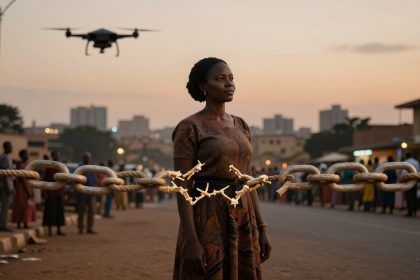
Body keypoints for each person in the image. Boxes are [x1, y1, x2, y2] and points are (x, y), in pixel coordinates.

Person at [172, 57, 271, 279]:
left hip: (243, 215)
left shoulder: (242, 125)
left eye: (231, 78)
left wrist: (261, 228)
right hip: (208, 216)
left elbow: (249, 179)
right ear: (203, 87)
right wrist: (191, 240)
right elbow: (183, 188)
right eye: (220, 79)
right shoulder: (190, 127)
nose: (229, 84)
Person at [42, 150, 66, 236]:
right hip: (51, 192)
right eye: (56, 155)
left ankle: (59, 230)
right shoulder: (49, 167)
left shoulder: (62, 167)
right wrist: (45, 192)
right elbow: (45, 179)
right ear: (53, 156)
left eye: (58, 155)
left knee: (59, 212)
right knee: (50, 212)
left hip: (59, 192)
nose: (58, 157)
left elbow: (65, 179)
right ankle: (49, 231)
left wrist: (63, 192)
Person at [12, 149, 36, 229]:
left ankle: (25, 222)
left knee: (27, 206)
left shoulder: (28, 164)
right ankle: (19, 222)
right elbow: (22, 178)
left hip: (28, 186)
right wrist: (28, 189)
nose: (27, 156)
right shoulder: (19, 165)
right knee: (20, 205)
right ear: (22, 156)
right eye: (26, 154)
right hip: (21, 188)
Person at [77, 152, 97, 234]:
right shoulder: (80, 167)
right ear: (83, 158)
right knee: (81, 211)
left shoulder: (92, 167)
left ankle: (89, 228)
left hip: (91, 192)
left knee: (91, 211)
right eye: (86, 157)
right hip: (82, 192)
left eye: (88, 157)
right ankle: (81, 228)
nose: (87, 159)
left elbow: (94, 178)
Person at [0, 141, 14, 232]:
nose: (11, 148)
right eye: (10, 146)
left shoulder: (6, 157)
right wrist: (8, 187)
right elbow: (5, 174)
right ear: (6, 147)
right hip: (4, 186)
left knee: (4, 206)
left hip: (6, 185)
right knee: (5, 206)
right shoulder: (4, 157)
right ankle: (2, 225)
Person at [403, 152, 419, 217]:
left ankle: (410, 212)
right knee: (414, 197)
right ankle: (415, 211)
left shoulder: (405, 162)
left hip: (408, 181)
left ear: (407, 156)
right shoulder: (416, 162)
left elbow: (403, 172)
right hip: (415, 181)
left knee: (408, 197)